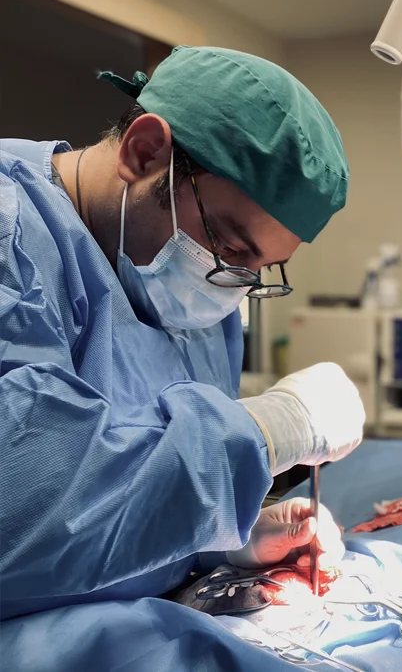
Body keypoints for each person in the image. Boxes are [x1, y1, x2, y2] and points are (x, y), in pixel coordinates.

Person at [0, 45, 365, 669]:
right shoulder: (13, 241)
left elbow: (133, 493)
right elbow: (26, 514)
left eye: (261, 267)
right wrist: (264, 432)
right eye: (229, 243)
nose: (233, 283)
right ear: (144, 153)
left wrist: (221, 539)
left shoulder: (202, 297)